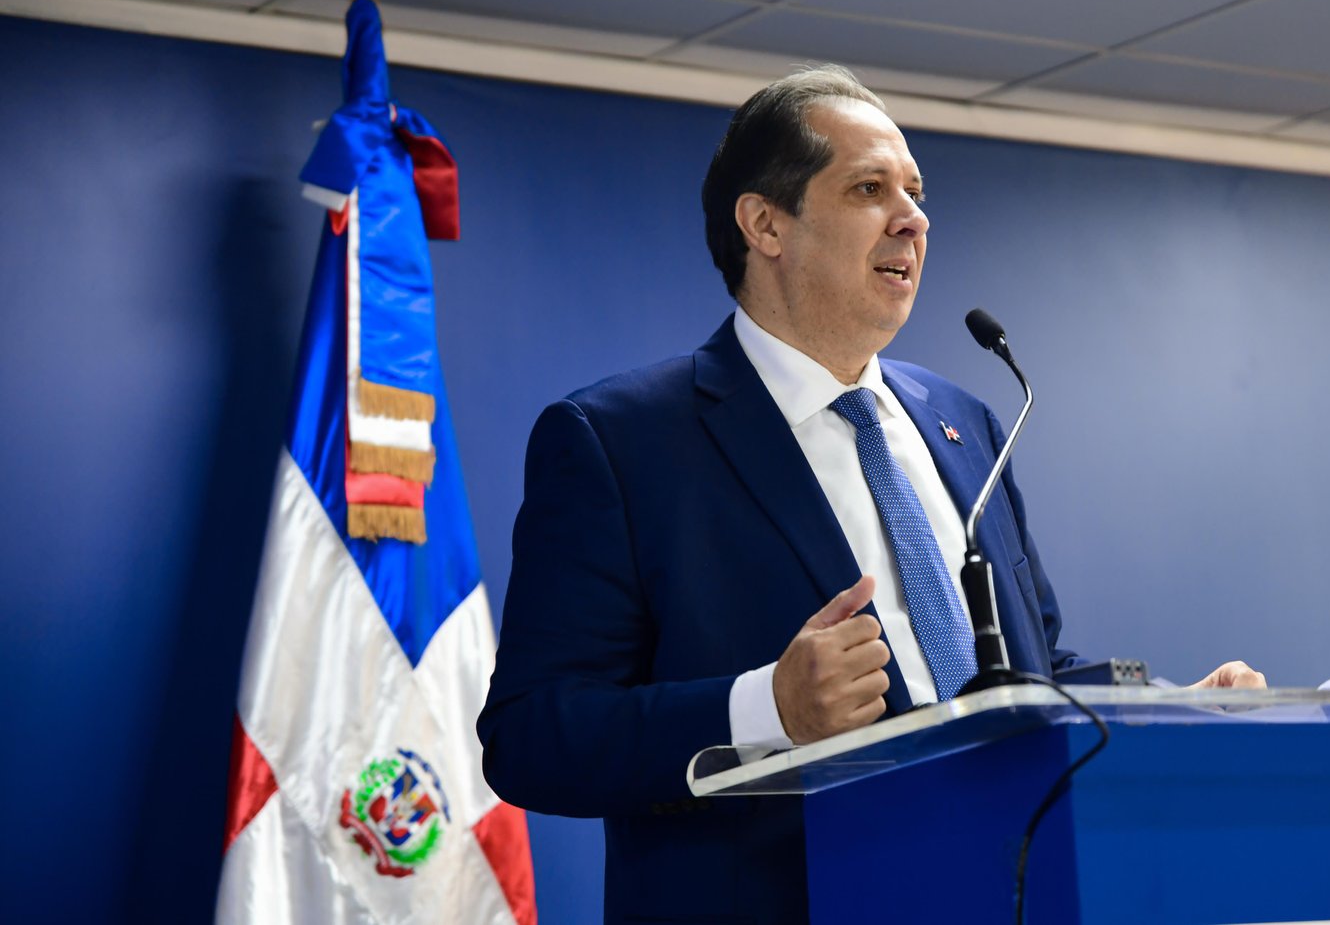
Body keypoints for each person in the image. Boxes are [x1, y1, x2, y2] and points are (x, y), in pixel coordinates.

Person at [478, 65, 1263, 925]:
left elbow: (1025, 671)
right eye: (869, 188)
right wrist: (767, 706)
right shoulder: (622, 440)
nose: (913, 217)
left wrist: (1167, 709)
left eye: (916, 192)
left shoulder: (967, 422)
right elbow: (532, 735)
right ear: (765, 223)